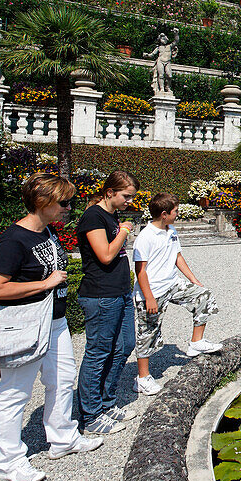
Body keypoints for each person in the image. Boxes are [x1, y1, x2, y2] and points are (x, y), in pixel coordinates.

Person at [0, 173, 103, 481]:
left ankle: (62, 438)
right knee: (14, 393)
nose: (68, 208)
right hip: (25, 324)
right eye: (63, 203)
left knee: (62, 380)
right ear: (42, 202)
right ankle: (8, 462)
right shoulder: (14, 239)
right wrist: (44, 284)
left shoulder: (48, 232)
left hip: (54, 321)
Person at [132, 193, 222, 396]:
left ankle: (196, 343)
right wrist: (149, 298)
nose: (178, 214)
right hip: (152, 291)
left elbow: (177, 257)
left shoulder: (170, 230)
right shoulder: (145, 238)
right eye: (175, 212)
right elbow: (141, 271)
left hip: (172, 284)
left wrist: (193, 280)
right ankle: (142, 378)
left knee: (203, 296)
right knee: (148, 332)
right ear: (164, 214)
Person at [75, 171, 138, 436]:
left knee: (124, 345)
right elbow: (105, 254)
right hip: (101, 294)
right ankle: (91, 415)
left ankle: (106, 401)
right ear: (109, 192)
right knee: (99, 352)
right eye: (126, 196)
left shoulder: (109, 216)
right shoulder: (93, 216)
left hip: (119, 292)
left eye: (131, 197)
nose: (129, 202)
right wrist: (123, 232)